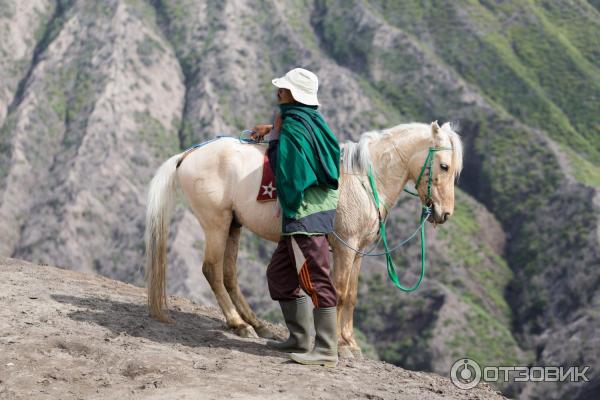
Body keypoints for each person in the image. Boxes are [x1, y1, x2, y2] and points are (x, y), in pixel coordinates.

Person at [251, 68, 340, 368]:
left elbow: (288, 171)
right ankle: (300, 338)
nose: (278, 94)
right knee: (279, 274)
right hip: (315, 209)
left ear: (294, 96)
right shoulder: (309, 120)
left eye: (283, 90)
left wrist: (275, 136)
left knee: (317, 277)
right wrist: (274, 128)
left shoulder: (292, 127)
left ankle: (327, 349)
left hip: (306, 213)